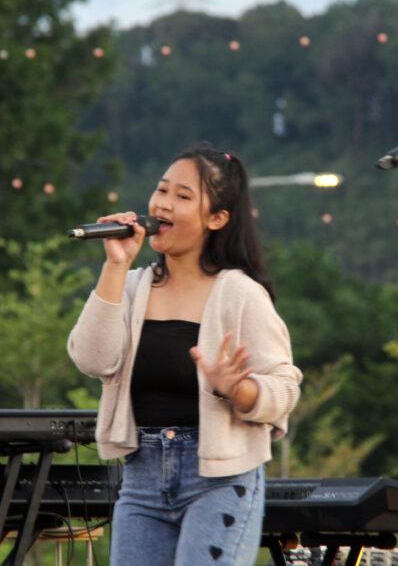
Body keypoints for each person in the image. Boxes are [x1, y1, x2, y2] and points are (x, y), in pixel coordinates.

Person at [67, 143, 301, 566]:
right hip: (141, 478)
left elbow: (285, 388)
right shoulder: (133, 286)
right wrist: (115, 266)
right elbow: (92, 360)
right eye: (161, 190)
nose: (163, 204)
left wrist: (240, 390)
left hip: (219, 479)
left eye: (182, 196)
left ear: (217, 218)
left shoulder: (240, 293)